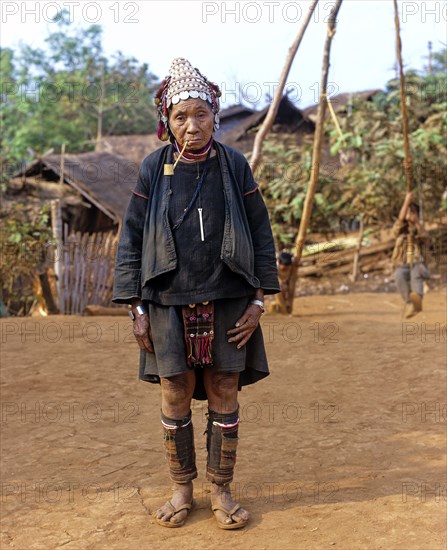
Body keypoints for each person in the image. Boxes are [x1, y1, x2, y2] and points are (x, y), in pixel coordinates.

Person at [112, 58, 279, 530]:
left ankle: (221, 490)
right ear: (166, 121)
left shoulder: (234, 165)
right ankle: (182, 486)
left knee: (225, 385)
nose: (192, 126)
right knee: (174, 389)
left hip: (228, 296)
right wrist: (136, 307)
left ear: (215, 116)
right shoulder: (152, 169)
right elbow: (133, 236)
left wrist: (260, 299)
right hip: (166, 299)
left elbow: (260, 231)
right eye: (181, 116)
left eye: (200, 114)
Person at [391, 191, 429, 318]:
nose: (409, 215)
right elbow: (400, 220)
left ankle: (417, 299)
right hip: (403, 264)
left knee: (416, 276)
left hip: (418, 264)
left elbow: (425, 237)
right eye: (407, 212)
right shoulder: (400, 230)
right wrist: (407, 202)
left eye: (412, 212)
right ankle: (411, 302)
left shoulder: (419, 228)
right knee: (398, 276)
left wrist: (417, 221)